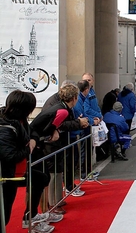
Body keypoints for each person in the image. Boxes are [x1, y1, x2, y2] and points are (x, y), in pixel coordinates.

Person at [0, 90, 62, 233]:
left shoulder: (19, 120)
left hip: (17, 171)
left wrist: (33, 139)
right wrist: (29, 149)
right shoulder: (5, 127)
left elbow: (31, 130)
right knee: (4, 214)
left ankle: (31, 215)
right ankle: (30, 216)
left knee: (41, 178)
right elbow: (10, 155)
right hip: (7, 175)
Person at [30, 84, 82, 215]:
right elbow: (50, 125)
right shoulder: (62, 110)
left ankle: (56, 201)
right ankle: (52, 204)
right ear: (74, 98)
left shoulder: (63, 107)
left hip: (47, 140)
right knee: (52, 171)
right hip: (44, 142)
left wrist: (55, 130)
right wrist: (54, 131)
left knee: (57, 170)